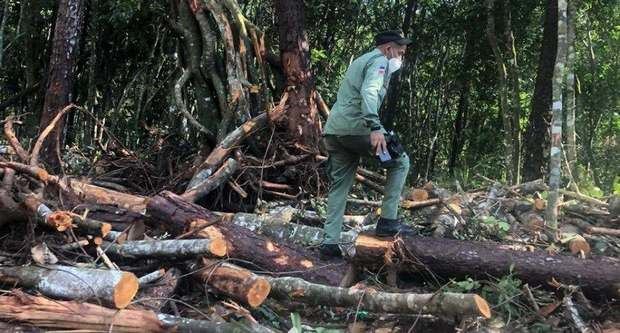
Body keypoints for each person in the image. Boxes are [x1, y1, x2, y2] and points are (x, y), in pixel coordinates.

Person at [320, 30, 414, 258]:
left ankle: (329, 243)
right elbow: (369, 92)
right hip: (358, 128)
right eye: (400, 49)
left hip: (335, 131)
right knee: (400, 161)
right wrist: (375, 127)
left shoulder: (360, 60)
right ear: (388, 48)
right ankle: (388, 222)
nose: (402, 54)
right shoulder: (380, 61)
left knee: (339, 185)